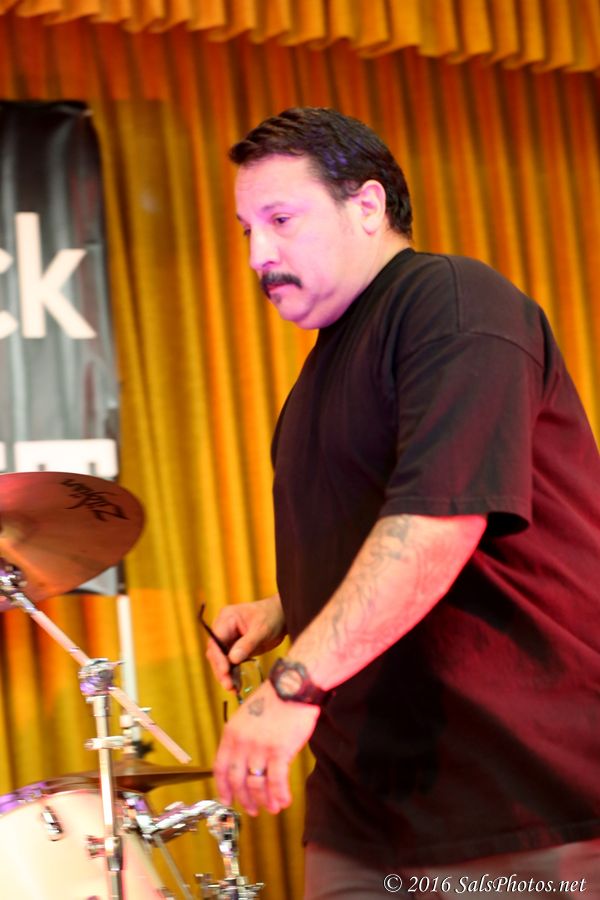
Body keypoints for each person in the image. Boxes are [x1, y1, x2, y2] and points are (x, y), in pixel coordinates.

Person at [205, 107, 600, 898]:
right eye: (248, 230)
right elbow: (384, 531)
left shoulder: (454, 303)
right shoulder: (321, 370)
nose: (258, 255)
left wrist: (294, 684)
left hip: (515, 797)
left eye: (280, 220)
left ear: (367, 206)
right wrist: (287, 607)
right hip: (365, 809)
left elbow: (440, 521)